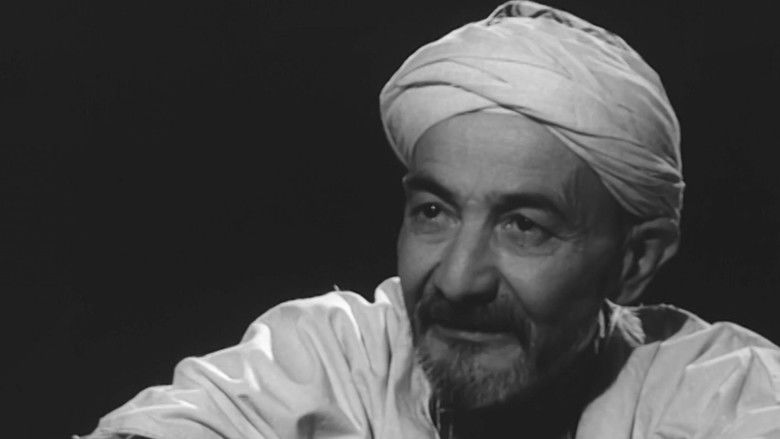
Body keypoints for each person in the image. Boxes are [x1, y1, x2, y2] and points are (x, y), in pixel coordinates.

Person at [80, 2, 780, 438]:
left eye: (524, 225)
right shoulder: (337, 355)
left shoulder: (726, 390)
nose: (457, 279)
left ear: (634, 261)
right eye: (434, 211)